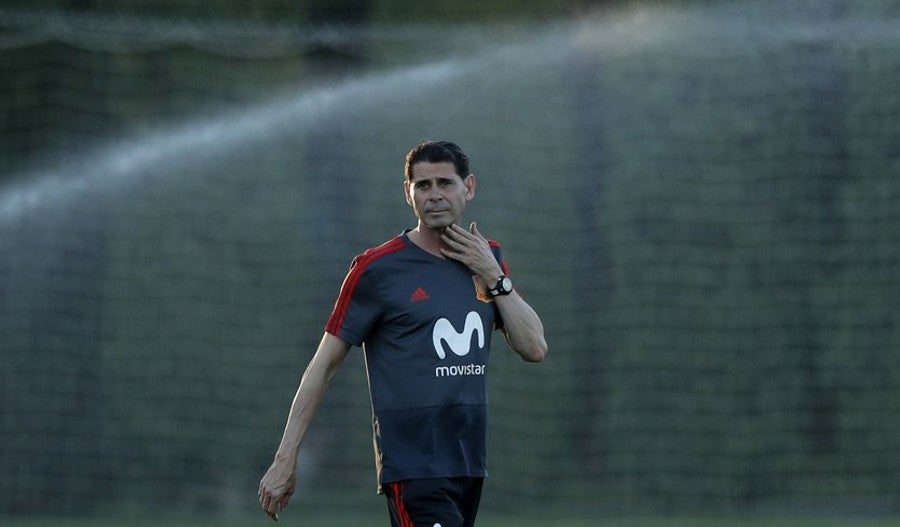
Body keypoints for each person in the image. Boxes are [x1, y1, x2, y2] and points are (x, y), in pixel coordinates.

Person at [258, 140, 547, 526]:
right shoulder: (377, 269)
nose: (435, 195)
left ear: (469, 187)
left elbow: (534, 347)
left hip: (468, 462)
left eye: (445, 183)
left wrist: (494, 276)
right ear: (407, 192)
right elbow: (322, 366)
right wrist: (284, 458)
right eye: (423, 185)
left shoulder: (487, 258)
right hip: (413, 467)